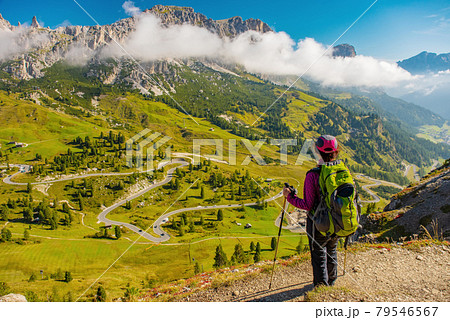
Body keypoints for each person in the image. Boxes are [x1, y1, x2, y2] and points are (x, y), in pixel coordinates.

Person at [282, 135, 340, 287]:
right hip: (338, 220)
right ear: (336, 151)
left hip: (318, 223)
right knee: (331, 250)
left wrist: (290, 197)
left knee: (319, 254)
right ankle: (332, 281)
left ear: (316, 151)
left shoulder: (313, 175)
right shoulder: (341, 170)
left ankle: (321, 288)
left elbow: (307, 204)